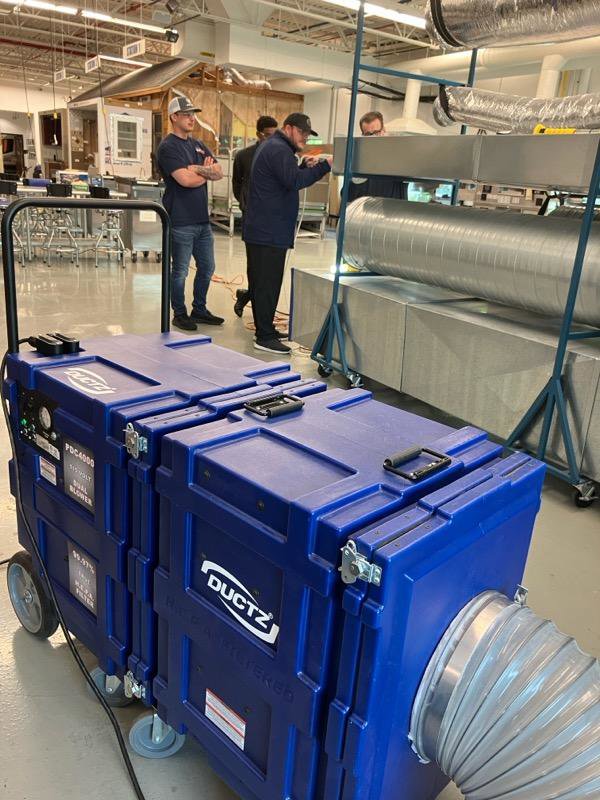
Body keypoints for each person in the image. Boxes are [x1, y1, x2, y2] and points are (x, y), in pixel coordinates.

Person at [242, 112, 332, 354]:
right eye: (302, 133)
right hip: (268, 231)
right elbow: (294, 182)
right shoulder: (278, 150)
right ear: (289, 128)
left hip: (266, 230)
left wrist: (303, 166)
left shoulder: (277, 148)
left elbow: (284, 179)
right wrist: (324, 167)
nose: (304, 138)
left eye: (307, 134)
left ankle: (266, 329)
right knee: (266, 284)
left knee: (265, 282)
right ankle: (264, 336)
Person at [156, 95, 224, 331]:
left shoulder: (198, 144)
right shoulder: (167, 147)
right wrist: (203, 171)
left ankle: (200, 309)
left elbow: (218, 172)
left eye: (193, 114)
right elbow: (184, 180)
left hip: (202, 221)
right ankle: (180, 313)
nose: (192, 118)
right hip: (181, 220)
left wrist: (198, 169)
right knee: (180, 271)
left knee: (207, 267)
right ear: (174, 117)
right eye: (186, 114)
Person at [232, 115, 278, 318]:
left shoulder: (279, 155)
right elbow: (237, 183)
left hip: (273, 219)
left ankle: (248, 296)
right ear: (259, 134)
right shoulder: (244, 156)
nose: (272, 139)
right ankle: (253, 301)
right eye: (268, 135)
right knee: (256, 267)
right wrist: (246, 205)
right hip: (253, 219)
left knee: (269, 270)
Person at [347, 111, 406, 203]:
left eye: (376, 132)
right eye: (368, 134)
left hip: (392, 213)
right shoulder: (359, 161)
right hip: (366, 214)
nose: (372, 138)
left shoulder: (397, 156)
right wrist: (355, 181)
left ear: (383, 131)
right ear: (363, 135)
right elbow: (346, 195)